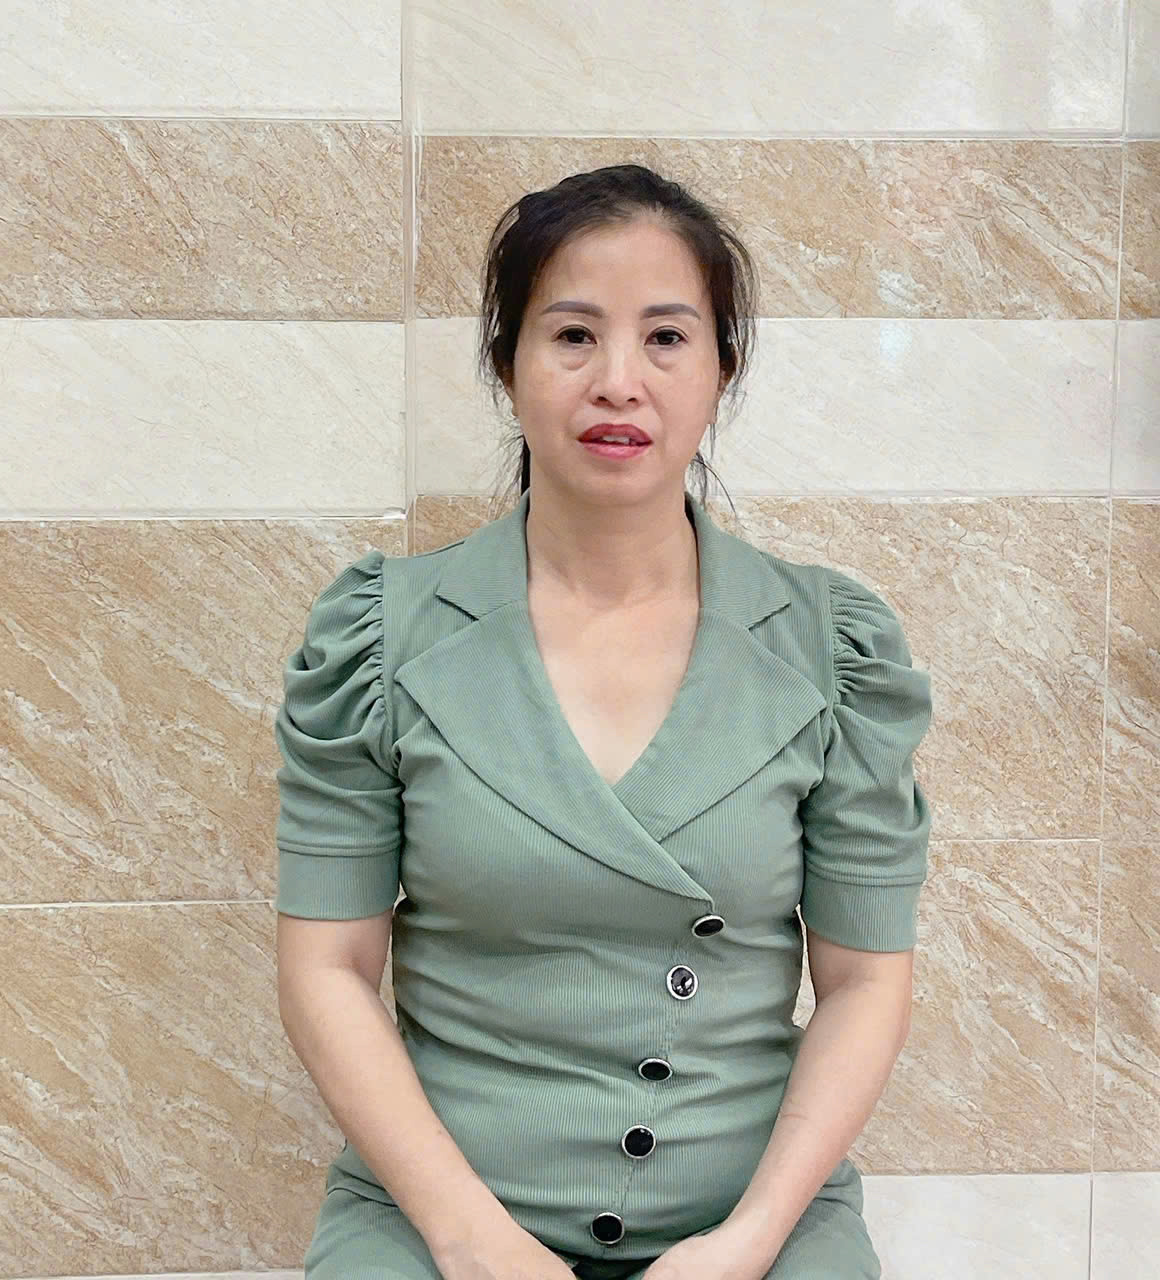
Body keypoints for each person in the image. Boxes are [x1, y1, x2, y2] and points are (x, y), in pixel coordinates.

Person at [273, 163, 934, 1280]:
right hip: (437, 1216)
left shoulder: (833, 649)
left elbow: (865, 981)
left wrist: (746, 1241)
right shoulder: (377, 643)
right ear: (507, 365)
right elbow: (325, 966)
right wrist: (468, 1239)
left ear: (722, 368)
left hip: (751, 1215)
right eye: (573, 335)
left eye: (666, 337)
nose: (618, 382)